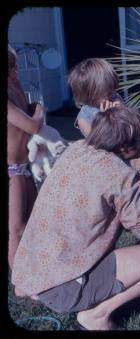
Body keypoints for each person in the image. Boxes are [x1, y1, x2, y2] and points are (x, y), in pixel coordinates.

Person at [11, 106, 140, 330]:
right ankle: (96, 316)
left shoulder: (77, 149)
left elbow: (101, 199)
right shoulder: (120, 176)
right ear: (123, 146)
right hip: (63, 287)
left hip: (33, 271)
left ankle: (53, 290)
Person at [68, 57, 140, 174]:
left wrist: (121, 111)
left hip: (132, 150)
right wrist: (107, 120)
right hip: (113, 164)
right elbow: (101, 148)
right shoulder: (84, 119)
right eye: (108, 91)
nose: (113, 92)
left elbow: (134, 129)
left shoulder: (114, 97)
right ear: (90, 94)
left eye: (113, 88)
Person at [7, 45, 44, 270]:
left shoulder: (15, 85)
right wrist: (39, 107)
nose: (17, 70)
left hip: (25, 165)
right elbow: (32, 124)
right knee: (16, 229)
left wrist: (35, 108)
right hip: (11, 170)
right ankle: (19, 281)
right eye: (12, 67)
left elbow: (28, 108)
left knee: (32, 219)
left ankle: (33, 267)